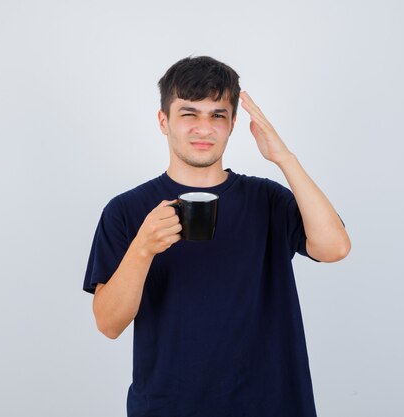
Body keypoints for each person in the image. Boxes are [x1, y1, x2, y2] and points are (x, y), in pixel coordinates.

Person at [83, 56, 351, 417]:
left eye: (217, 115)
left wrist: (284, 158)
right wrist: (142, 249)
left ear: (233, 124)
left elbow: (335, 247)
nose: (203, 128)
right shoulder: (127, 211)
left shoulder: (267, 199)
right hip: (169, 407)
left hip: (271, 405)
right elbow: (108, 324)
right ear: (164, 121)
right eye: (189, 114)